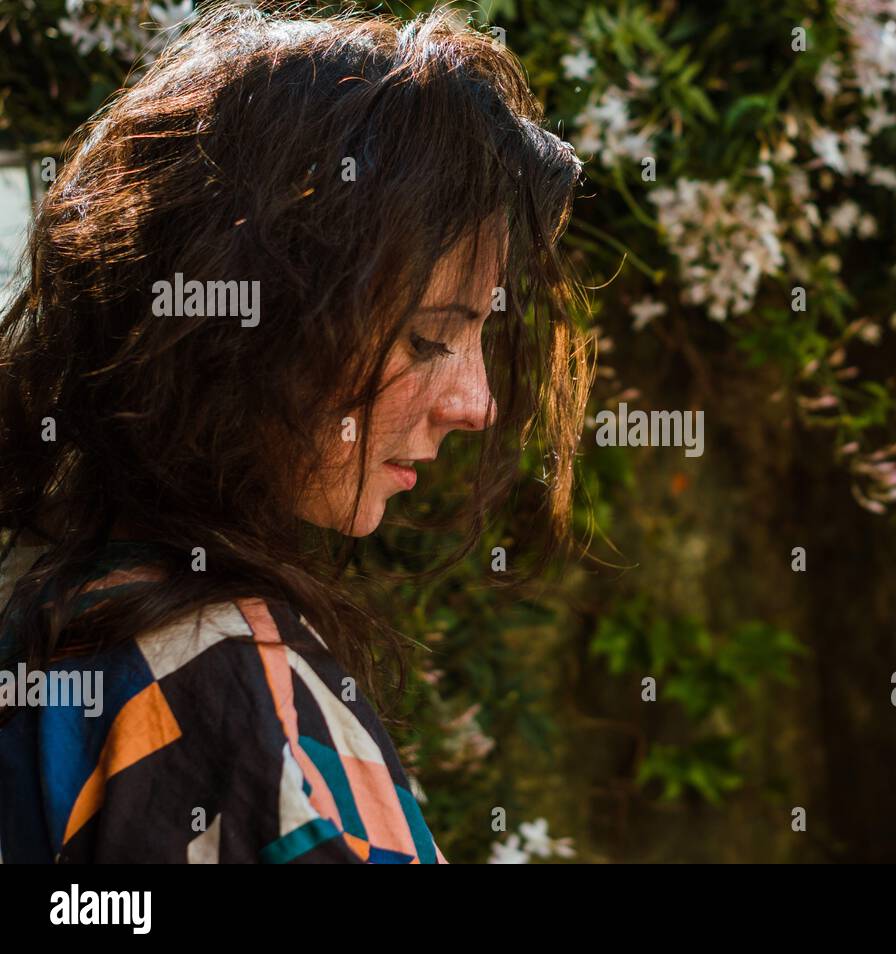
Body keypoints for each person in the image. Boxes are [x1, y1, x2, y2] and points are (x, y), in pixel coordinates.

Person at [0, 2, 590, 864]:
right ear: (245, 329)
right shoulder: (232, 690)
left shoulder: (64, 609)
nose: (476, 402)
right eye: (429, 337)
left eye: (478, 336)